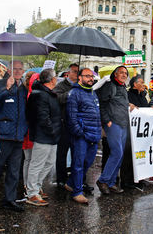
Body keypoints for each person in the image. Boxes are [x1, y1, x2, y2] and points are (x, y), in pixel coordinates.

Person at [0, 61, 28, 212]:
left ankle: (10, 199)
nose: (17, 71)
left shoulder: (23, 87)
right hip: (4, 134)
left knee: (14, 170)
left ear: (23, 71)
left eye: (20, 69)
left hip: (18, 135)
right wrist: (7, 88)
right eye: (14, 69)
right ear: (9, 70)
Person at [25, 69, 61, 206]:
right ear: (52, 80)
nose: (56, 79)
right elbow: (42, 117)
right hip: (43, 135)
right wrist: (52, 131)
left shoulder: (49, 94)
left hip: (52, 135)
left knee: (50, 162)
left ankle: (36, 186)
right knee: (37, 164)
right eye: (55, 77)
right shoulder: (40, 94)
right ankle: (32, 193)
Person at [65, 68, 101, 204]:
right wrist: (80, 132)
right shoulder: (74, 93)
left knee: (88, 162)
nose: (91, 78)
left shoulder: (93, 93)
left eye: (91, 76)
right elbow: (71, 117)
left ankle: (71, 183)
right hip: (81, 136)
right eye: (87, 76)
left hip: (94, 134)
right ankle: (77, 192)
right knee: (78, 164)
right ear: (80, 78)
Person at [95, 66, 129, 195]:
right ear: (115, 74)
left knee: (119, 156)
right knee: (117, 153)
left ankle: (111, 182)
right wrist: (107, 121)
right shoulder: (109, 86)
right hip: (113, 124)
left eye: (125, 73)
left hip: (123, 123)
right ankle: (103, 180)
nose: (124, 75)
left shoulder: (123, 86)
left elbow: (120, 103)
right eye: (121, 72)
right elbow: (102, 104)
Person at [53, 63, 79, 190]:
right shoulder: (62, 85)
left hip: (77, 124)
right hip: (64, 123)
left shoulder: (80, 86)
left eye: (78, 72)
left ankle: (76, 179)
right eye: (74, 71)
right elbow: (57, 98)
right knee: (62, 153)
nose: (76, 74)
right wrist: (71, 93)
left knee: (77, 153)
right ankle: (61, 178)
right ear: (68, 72)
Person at [122, 75, 148, 190]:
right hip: (130, 130)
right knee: (128, 156)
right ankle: (126, 181)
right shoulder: (128, 95)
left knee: (140, 155)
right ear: (134, 84)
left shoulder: (143, 95)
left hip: (142, 131)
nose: (143, 84)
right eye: (141, 82)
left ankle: (138, 178)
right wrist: (129, 105)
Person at [21, 73, 39, 195]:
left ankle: (30, 184)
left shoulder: (33, 94)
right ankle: (27, 184)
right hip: (29, 131)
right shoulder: (30, 95)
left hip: (33, 131)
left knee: (32, 159)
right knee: (29, 159)